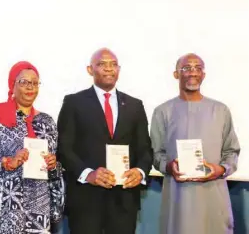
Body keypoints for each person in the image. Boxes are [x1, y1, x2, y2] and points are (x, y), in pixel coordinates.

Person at [57, 48, 153, 234]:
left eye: (113, 64)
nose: (109, 69)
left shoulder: (135, 105)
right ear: (90, 69)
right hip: (86, 201)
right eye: (102, 64)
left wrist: (140, 172)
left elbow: (145, 149)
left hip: (124, 200)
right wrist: (88, 174)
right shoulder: (73, 102)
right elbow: (64, 148)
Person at [150, 53, 240, 234]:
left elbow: (231, 151)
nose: (193, 72)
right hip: (178, 198)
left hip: (213, 196)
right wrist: (169, 166)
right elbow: (156, 154)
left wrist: (220, 169)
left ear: (203, 75)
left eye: (198, 68)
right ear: (176, 74)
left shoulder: (220, 110)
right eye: (187, 68)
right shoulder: (163, 111)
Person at [0, 61, 65, 234]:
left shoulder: (47, 122)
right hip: (4, 205)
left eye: (34, 82)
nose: (30, 87)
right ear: (12, 85)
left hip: (38, 205)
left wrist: (53, 165)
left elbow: (56, 163)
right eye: (23, 82)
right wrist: (6, 162)